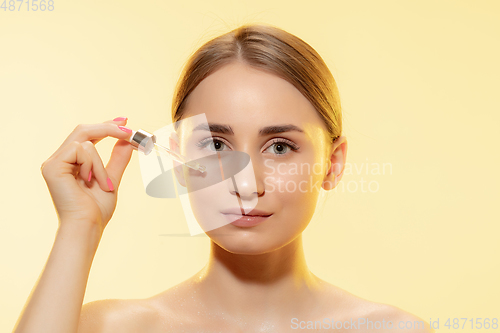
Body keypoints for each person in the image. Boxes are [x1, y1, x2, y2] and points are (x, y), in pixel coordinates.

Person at [13, 23, 432, 332]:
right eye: (215, 145)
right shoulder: (111, 327)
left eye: (280, 147)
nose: (246, 184)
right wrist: (79, 228)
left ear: (334, 163)